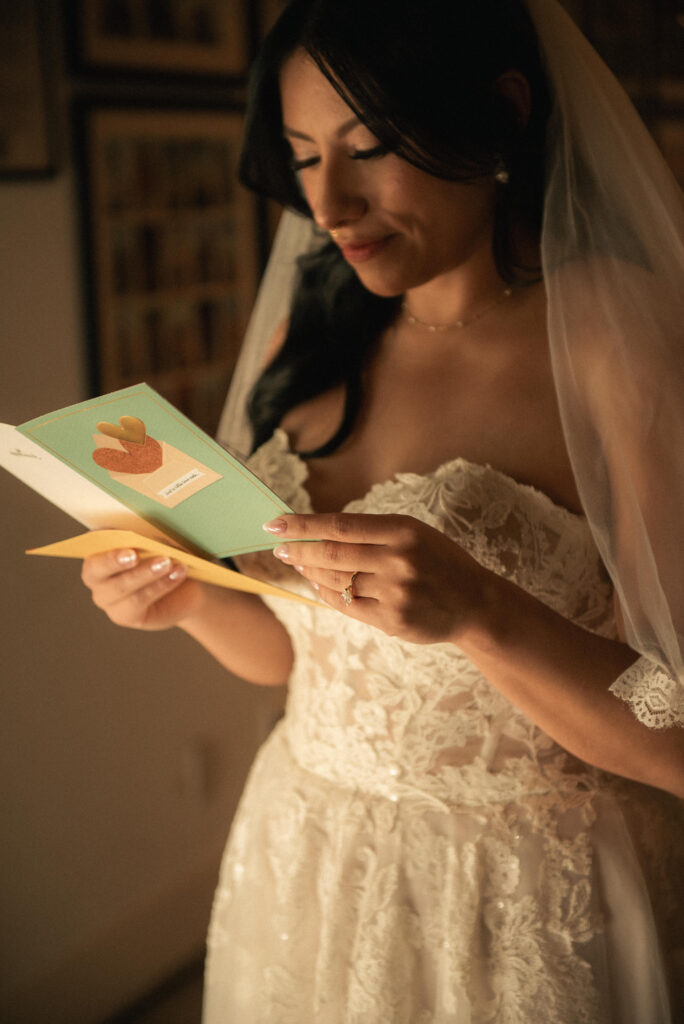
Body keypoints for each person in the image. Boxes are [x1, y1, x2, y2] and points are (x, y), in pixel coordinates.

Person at [81, 0, 684, 1020]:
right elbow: (293, 656)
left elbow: (674, 738)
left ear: (499, 114)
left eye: (369, 147)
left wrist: (482, 611)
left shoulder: (608, 341)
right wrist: (183, 598)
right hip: (308, 851)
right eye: (304, 155)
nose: (332, 203)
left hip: (520, 890)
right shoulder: (310, 341)